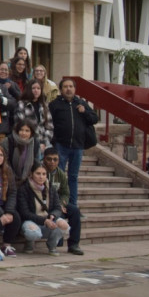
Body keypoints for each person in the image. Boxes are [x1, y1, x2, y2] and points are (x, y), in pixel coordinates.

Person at [48, 76, 99, 204]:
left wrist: (84, 112)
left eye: (71, 86)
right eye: (65, 87)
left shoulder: (81, 103)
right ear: (61, 89)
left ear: (75, 89)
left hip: (78, 146)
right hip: (61, 145)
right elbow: (49, 123)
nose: (68, 89)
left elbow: (94, 119)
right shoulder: (54, 104)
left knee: (73, 177)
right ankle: (56, 204)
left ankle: (72, 205)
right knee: (57, 176)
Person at [17, 163, 68, 256]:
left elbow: (57, 207)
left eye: (44, 174)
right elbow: (25, 212)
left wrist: (53, 215)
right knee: (32, 233)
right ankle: (29, 244)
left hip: (48, 218)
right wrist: (44, 221)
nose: (41, 177)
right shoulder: (24, 189)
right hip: (31, 220)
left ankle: (52, 246)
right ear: (31, 174)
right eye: (38, 173)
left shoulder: (51, 188)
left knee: (64, 225)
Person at [43, 148, 84, 255]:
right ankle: (56, 241)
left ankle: (74, 244)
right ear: (44, 159)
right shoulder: (40, 171)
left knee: (74, 211)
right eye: (49, 159)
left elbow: (65, 192)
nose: (52, 162)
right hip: (43, 203)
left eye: (55, 159)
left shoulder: (60, 174)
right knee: (57, 214)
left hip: (57, 203)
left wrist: (62, 203)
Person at [16, 80, 55, 156]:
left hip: (43, 143)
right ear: (29, 90)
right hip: (27, 142)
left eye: (38, 88)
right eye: (33, 88)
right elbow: (19, 125)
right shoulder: (22, 104)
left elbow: (49, 127)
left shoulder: (44, 106)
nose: (36, 90)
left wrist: (44, 143)